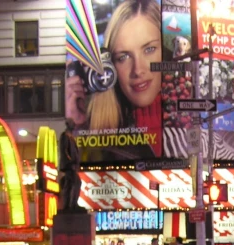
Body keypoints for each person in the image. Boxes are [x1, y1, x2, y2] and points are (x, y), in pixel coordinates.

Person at [65, 0, 164, 161]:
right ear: (110, 64)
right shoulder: (98, 128)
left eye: (149, 49)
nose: (138, 70)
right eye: (123, 57)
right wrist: (75, 127)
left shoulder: (192, 121)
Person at [58, 118, 82, 211]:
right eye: (73, 124)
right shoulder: (65, 136)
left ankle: (69, 205)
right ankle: (70, 205)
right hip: (69, 166)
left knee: (71, 184)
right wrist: (70, 162)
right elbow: (64, 151)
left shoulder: (71, 136)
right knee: (74, 183)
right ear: (68, 124)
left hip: (72, 166)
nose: (74, 125)